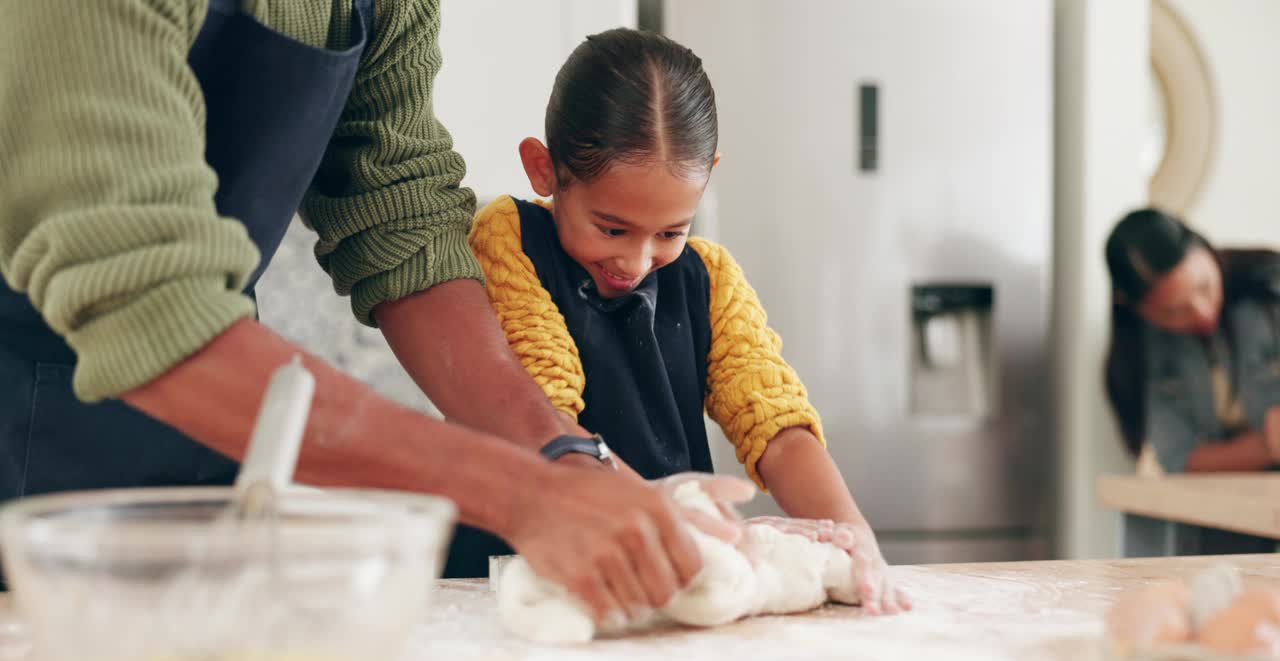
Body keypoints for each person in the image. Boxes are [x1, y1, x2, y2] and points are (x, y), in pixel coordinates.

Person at [0, 0, 756, 619]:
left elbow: (397, 209)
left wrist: (561, 453)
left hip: (206, 417)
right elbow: (146, 303)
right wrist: (522, 493)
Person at [466, 28, 909, 614]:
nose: (637, 260)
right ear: (544, 170)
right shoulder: (511, 240)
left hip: (669, 570)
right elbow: (542, 413)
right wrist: (666, 521)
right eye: (612, 228)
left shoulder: (710, 277)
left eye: (671, 231)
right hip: (519, 572)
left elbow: (774, 424)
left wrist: (853, 537)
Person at [1105, 208, 1280, 552]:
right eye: (1173, 310)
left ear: (1207, 250)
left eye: (1204, 286)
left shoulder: (1269, 291)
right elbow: (1177, 457)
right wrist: (1267, 445)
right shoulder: (1148, 350)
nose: (1200, 312)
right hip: (1224, 520)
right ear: (1137, 310)